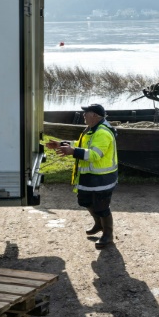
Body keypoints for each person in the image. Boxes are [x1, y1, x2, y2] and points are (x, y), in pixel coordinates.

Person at [46, 103, 119, 249]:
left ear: (95, 116)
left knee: (102, 207)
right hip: (89, 177)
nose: (83, 115)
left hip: (102, 179)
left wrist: (72, 152)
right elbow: (80, 144)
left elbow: (94, 154)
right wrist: (60, 144)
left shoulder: (102, 133)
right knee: (85, 201)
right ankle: (99, 225)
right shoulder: (91, 130)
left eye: (86, 113)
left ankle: (108, 235)